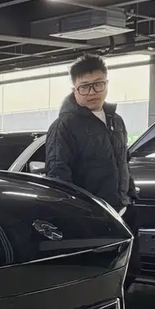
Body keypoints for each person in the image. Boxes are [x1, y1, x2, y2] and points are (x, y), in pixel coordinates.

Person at [46, 53, 139, 291]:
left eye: (98, 84)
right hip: (92, 216)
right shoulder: (65, 125)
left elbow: (123, 160)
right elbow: (58, 174)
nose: (91, 92)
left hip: (122, 210)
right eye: (84, 86)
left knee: (128, 271)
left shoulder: (116, 121)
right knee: (96, 280)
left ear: (106, 83)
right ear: (74, 89)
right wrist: (74, 216)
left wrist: (130, 194)